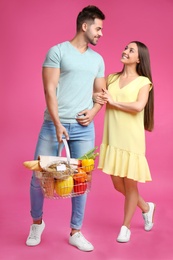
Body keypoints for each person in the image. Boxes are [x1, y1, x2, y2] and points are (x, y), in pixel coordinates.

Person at [26, 5, 106, 251]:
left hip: (84, 128)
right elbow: (49, 90)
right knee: (40, 175)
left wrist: (92, 113)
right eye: (98, 28)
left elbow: (100, 94)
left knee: (81, 179)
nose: (101, 33)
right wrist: (59, 123)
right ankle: (37, 222)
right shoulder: (57, 52)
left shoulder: (97, 59)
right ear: (85, 26)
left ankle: (75, 231)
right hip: (53, 125)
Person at [94, 41, 155, 243]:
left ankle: (125, 227)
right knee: (118, 185)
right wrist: (97, 98)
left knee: (130, 187)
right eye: (125, 48)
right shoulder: (111, 78)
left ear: (139, 58)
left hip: (131, 140)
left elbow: (138, 106)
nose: (125, 51)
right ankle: (146, 207)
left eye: (131, 50)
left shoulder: (143, 82)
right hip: (113, 139)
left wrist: (114, 102)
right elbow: (98, 96)